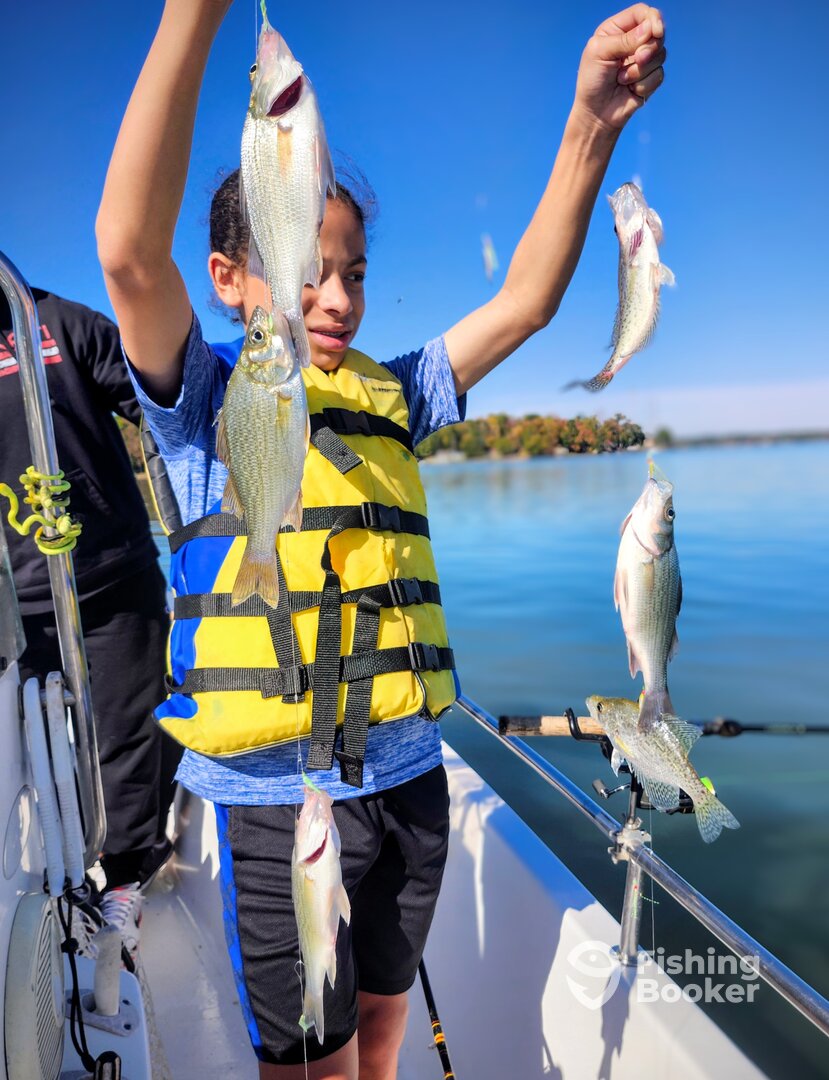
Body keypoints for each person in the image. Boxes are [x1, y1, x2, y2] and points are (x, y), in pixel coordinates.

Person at [96, 2, 667, 1076]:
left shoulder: (396, 390)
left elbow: (529, 302)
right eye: (306, 266)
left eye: (354, 272)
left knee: (384, 1034)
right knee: (310, 1059)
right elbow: (128, 255)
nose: (337, 297)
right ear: (231, 276)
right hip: (277, 804)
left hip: (409, 778)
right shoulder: (209, 394)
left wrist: (593, 123)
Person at [0, 286, 181, 949]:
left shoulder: (58, 321)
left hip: (114, 576)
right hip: (15, 602)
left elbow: (163, 412)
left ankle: (128, 878)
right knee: (27, 749)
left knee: (128, 731)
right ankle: (53, 878)